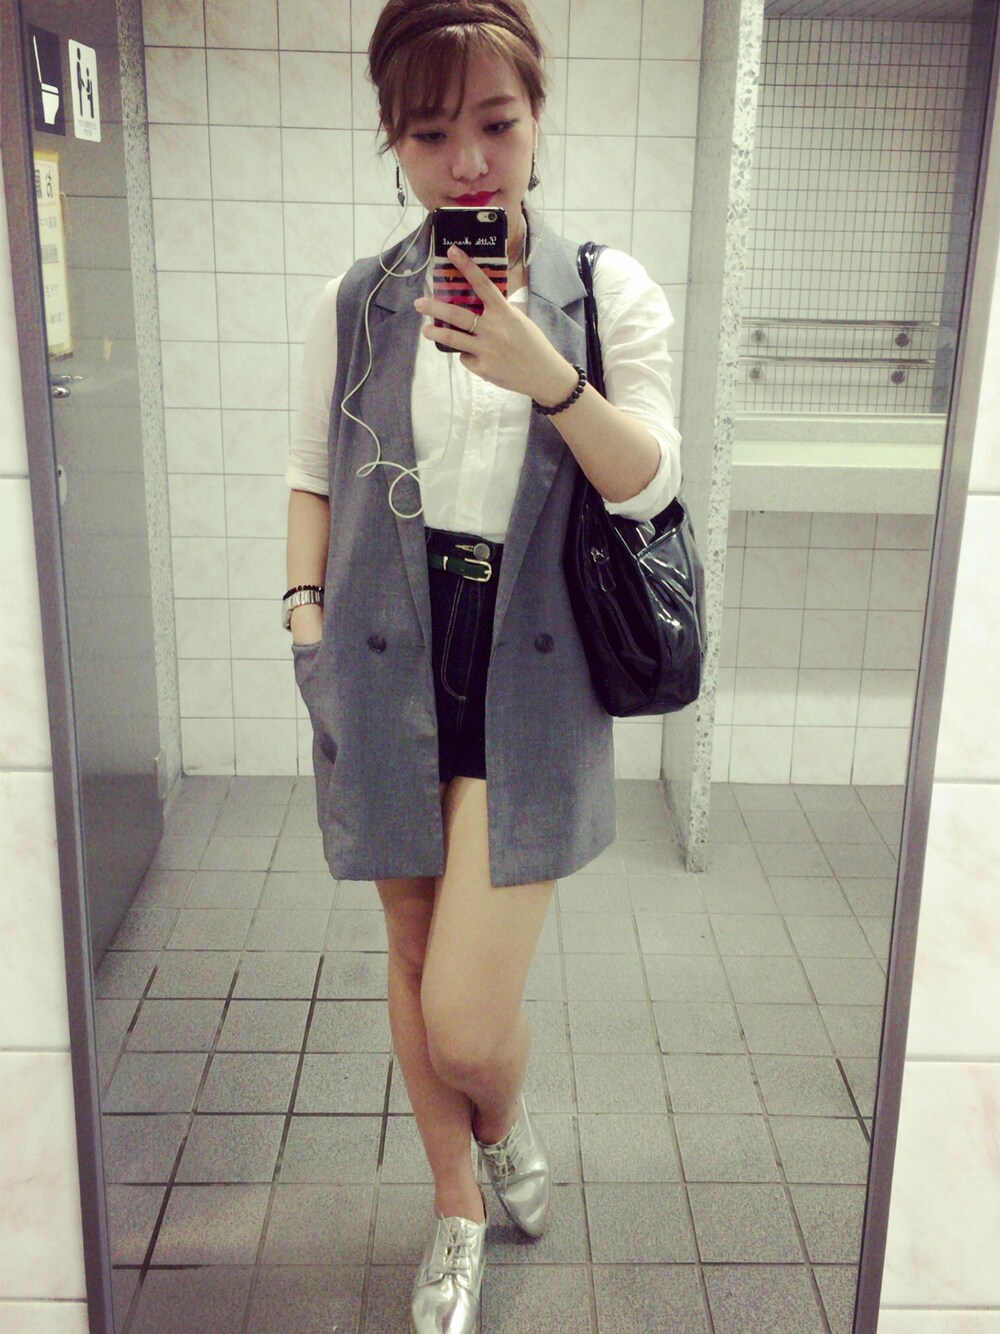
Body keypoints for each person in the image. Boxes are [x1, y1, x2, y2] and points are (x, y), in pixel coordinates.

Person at [283, 1, 682, 1328]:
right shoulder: (359, 299)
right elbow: (310, 475)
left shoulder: (607, 293)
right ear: (392, 141)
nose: (467, 162)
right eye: (429, 133)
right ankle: (457, 1205)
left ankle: (500, 1119)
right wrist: (304, 619)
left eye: (496, 124)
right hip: (385, 650)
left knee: (463, 1012)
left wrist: (544, 371)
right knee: (408, 941)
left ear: (538, 118)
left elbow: (649, 483)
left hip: (535, 659)